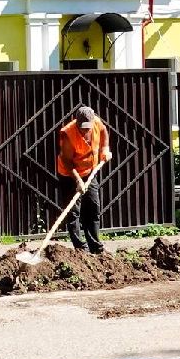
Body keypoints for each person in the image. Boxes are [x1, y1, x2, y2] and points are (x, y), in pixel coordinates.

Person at [56, 105, 112, 253]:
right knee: (73, 211)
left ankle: (96, 247)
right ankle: (81, 249)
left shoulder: (97, 123)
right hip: (69, 174)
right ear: (77, 122)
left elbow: (104, 132)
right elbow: (67, 161)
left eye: (88, 127)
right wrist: (78, 181)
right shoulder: (68, 133)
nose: (86, 130)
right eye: (82, 127)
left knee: (93, 207)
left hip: (89, 171)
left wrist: (105, 149)